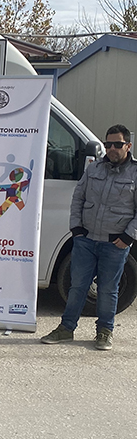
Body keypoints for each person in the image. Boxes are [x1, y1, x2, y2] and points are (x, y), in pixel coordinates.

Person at [41, 124, 137, 350]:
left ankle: (104, 331)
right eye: (108, 144)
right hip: (86, 240)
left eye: (117, 144)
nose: (112, 148)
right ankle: (66, 329)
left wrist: (128, 237)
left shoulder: (135, 173)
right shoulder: (94, 169)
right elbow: (78, 198)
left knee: (108, 290)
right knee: (77, 287)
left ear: (128, 146)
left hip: (115, 243)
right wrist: (76, 229)